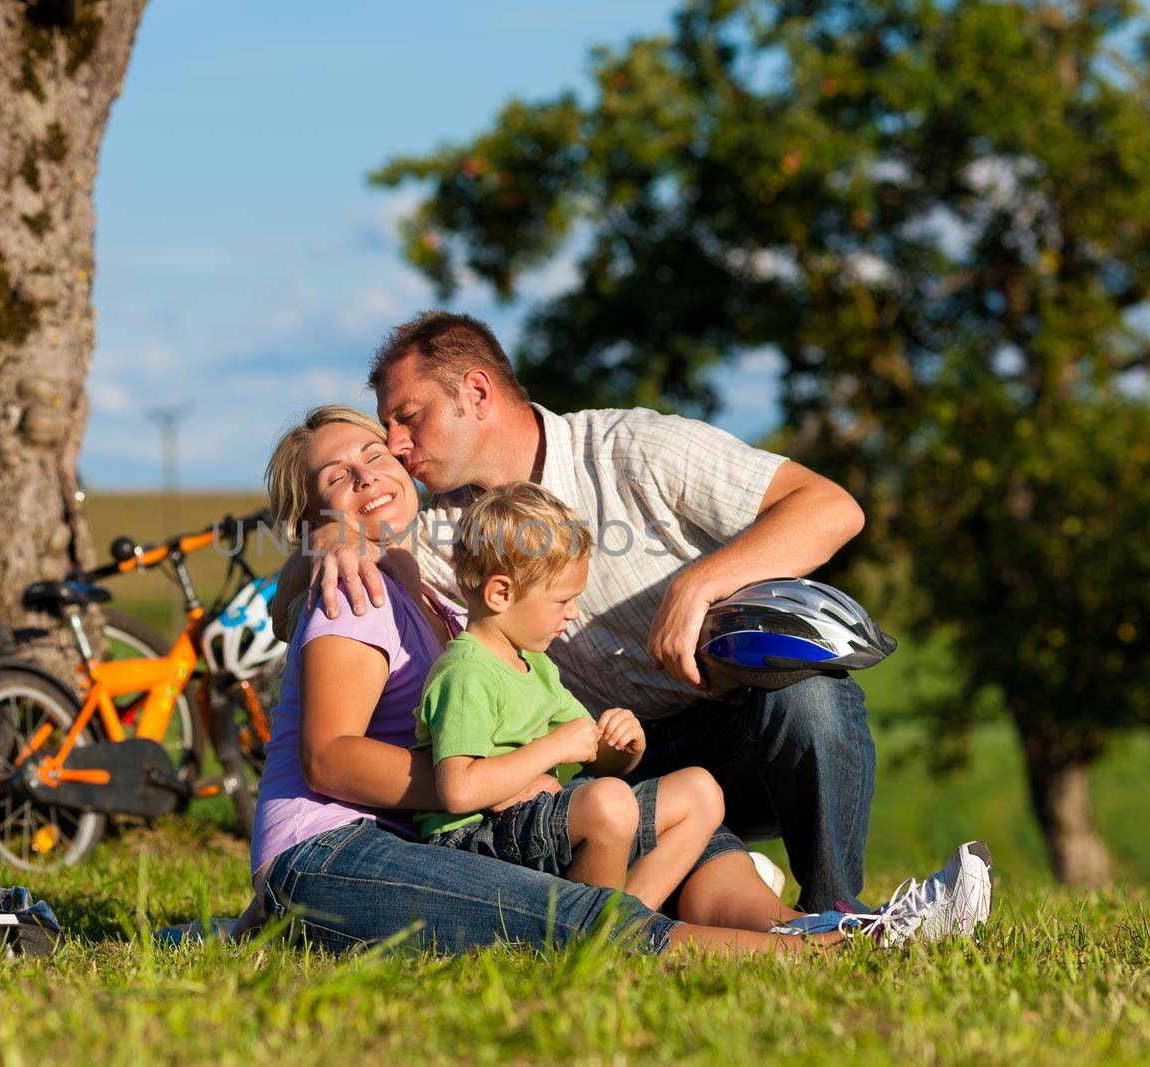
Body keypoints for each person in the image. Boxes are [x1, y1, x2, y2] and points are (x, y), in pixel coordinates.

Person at [200, 404, 991, 957]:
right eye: (338, 477)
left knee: (683, 815)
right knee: (571, 916)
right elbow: (330, 761)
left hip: (439, 824)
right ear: (313, 516)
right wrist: (483, 780)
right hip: (334, 851)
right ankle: (834, 952)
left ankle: (813, 923)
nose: (370, 471)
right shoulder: (353, 584)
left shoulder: (433, 577)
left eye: (375, 451)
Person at [275, 311, 876, 913]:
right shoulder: (434, 534)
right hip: (589, 767)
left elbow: (831, 508)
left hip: (740, 742)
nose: (397, 447)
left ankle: (838, 912)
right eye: (388, 428)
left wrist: (699, 584)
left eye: (409, 418)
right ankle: (729, 914)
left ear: (477, 393)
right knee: (697, 876)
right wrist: (332, 538)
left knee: (811, 697)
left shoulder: (634, 450)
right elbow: (287, 610)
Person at [416, 481, 724, 912]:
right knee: (607, 803)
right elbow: (458, 790)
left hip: (535, 820)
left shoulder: (536, 665)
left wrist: (624, 744)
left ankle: (628, 923)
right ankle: (592, 931)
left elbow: (598, 759)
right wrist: (551, 749)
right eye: (563, 600)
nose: (573, 612)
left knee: (700, 790)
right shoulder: (466, 672)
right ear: (501, 593)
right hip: (473, 841)